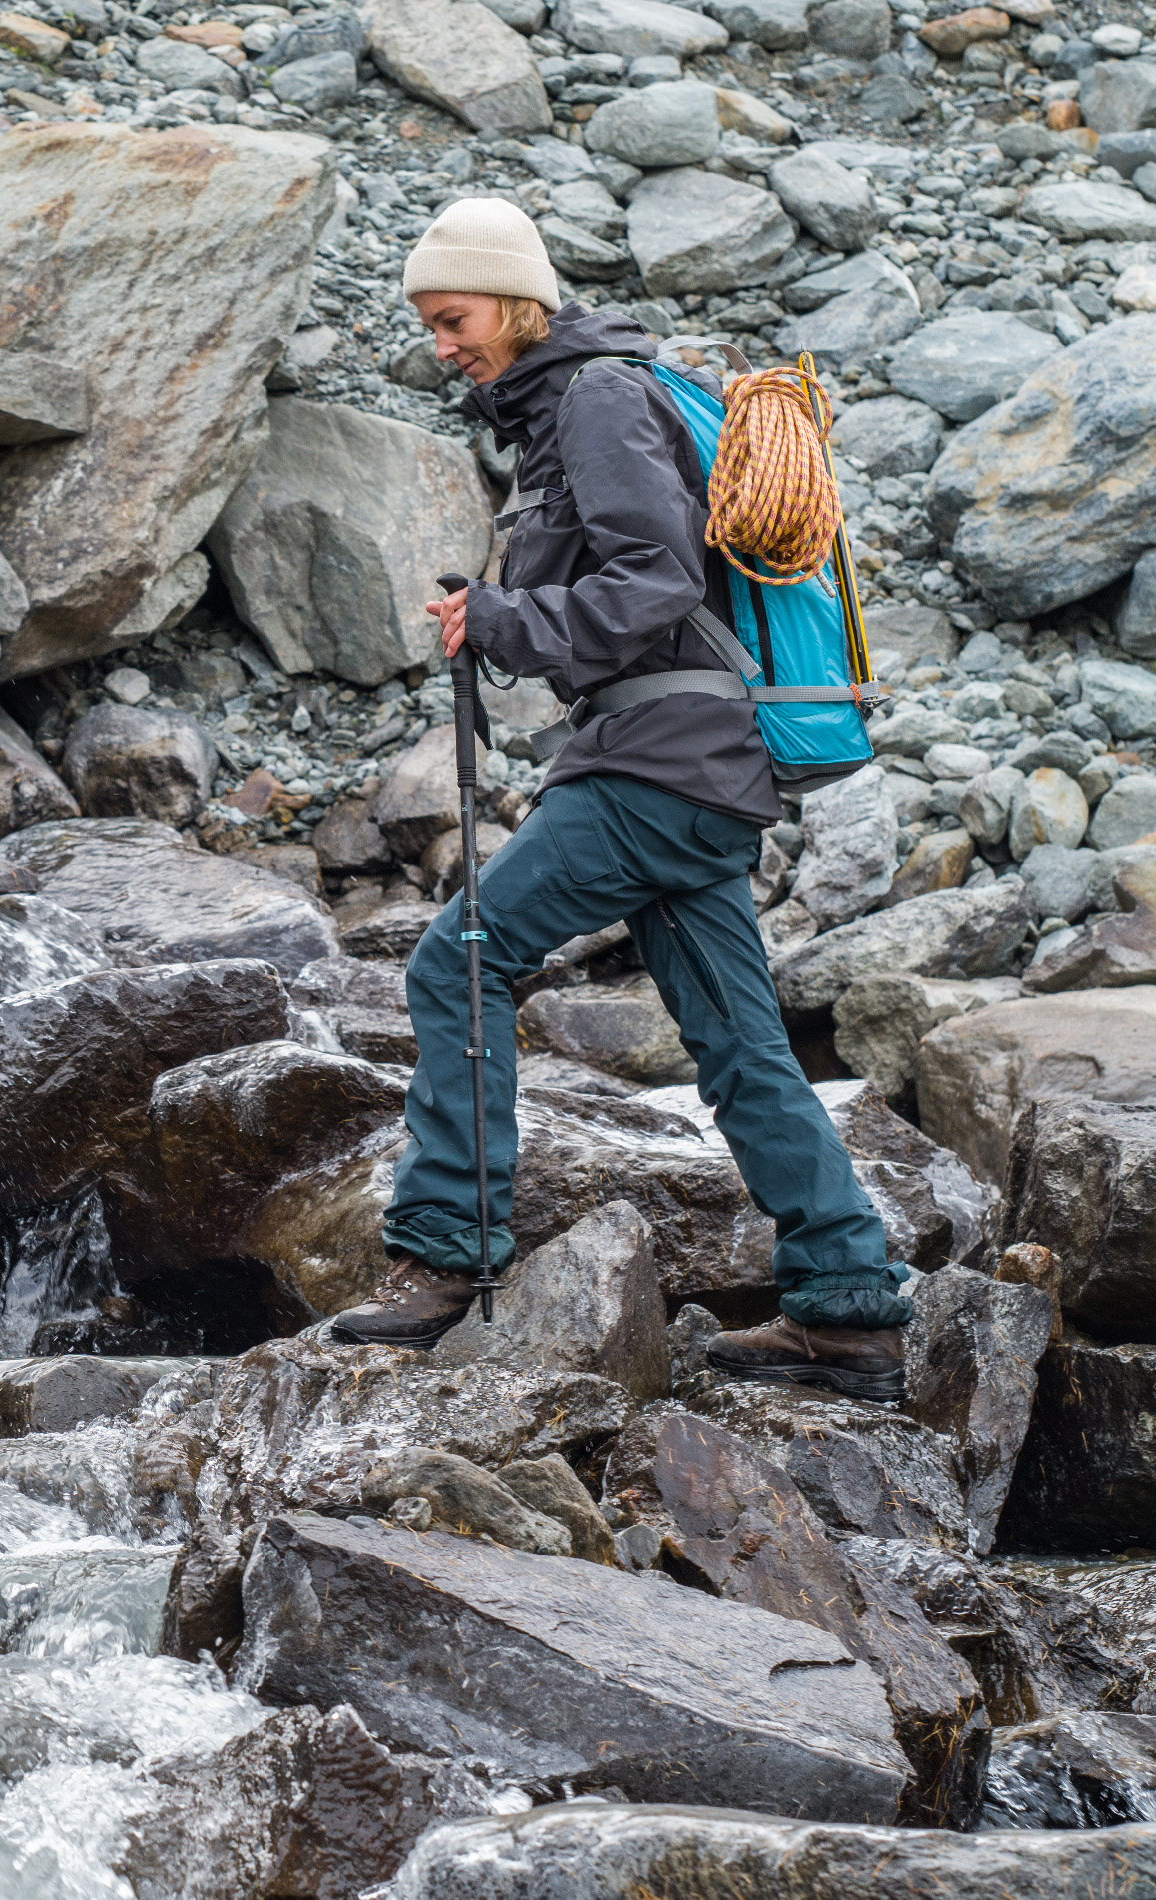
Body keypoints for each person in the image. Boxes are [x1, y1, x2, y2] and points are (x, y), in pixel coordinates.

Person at [330, 198, 910, 1402]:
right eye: (432, 328)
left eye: (455, 319)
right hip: (699, 769)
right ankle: (849, 1309)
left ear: (516, 300)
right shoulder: (578, 405)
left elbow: (651, 576)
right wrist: (510, 618)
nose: (444, 345)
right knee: (742, 1042)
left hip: (660, 762)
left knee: (460, 960)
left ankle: (441, 1258)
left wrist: (503, 618)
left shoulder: (593, 399)